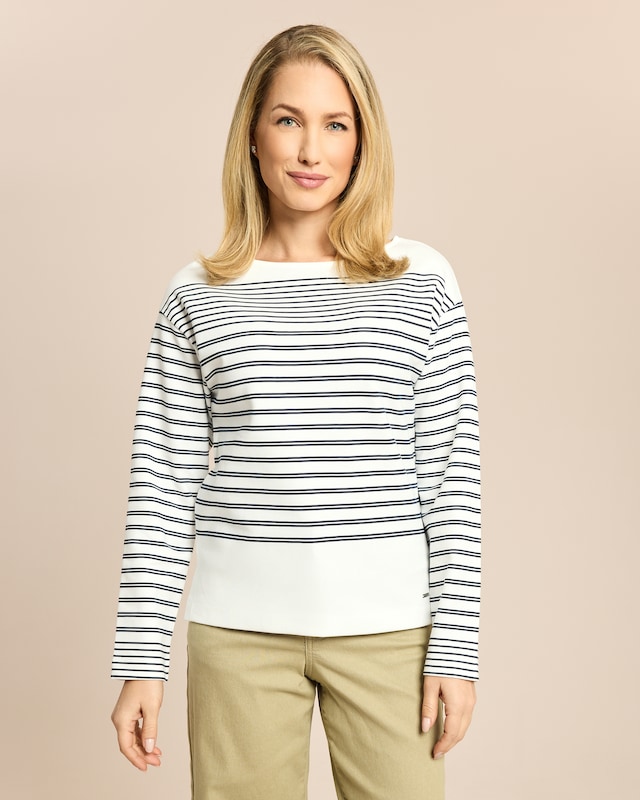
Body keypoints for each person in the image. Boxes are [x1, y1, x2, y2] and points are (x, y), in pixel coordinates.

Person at [110, 23, 481, 800]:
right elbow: (162, 487)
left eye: (335, 124)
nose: (311, 150)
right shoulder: (197, 295)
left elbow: (451, 480)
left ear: (362, 141)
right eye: (288, 120)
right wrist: (142, 661)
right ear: (252, 135)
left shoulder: (423, 282)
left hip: (391, 633)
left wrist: (455, 646)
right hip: (237, 636)